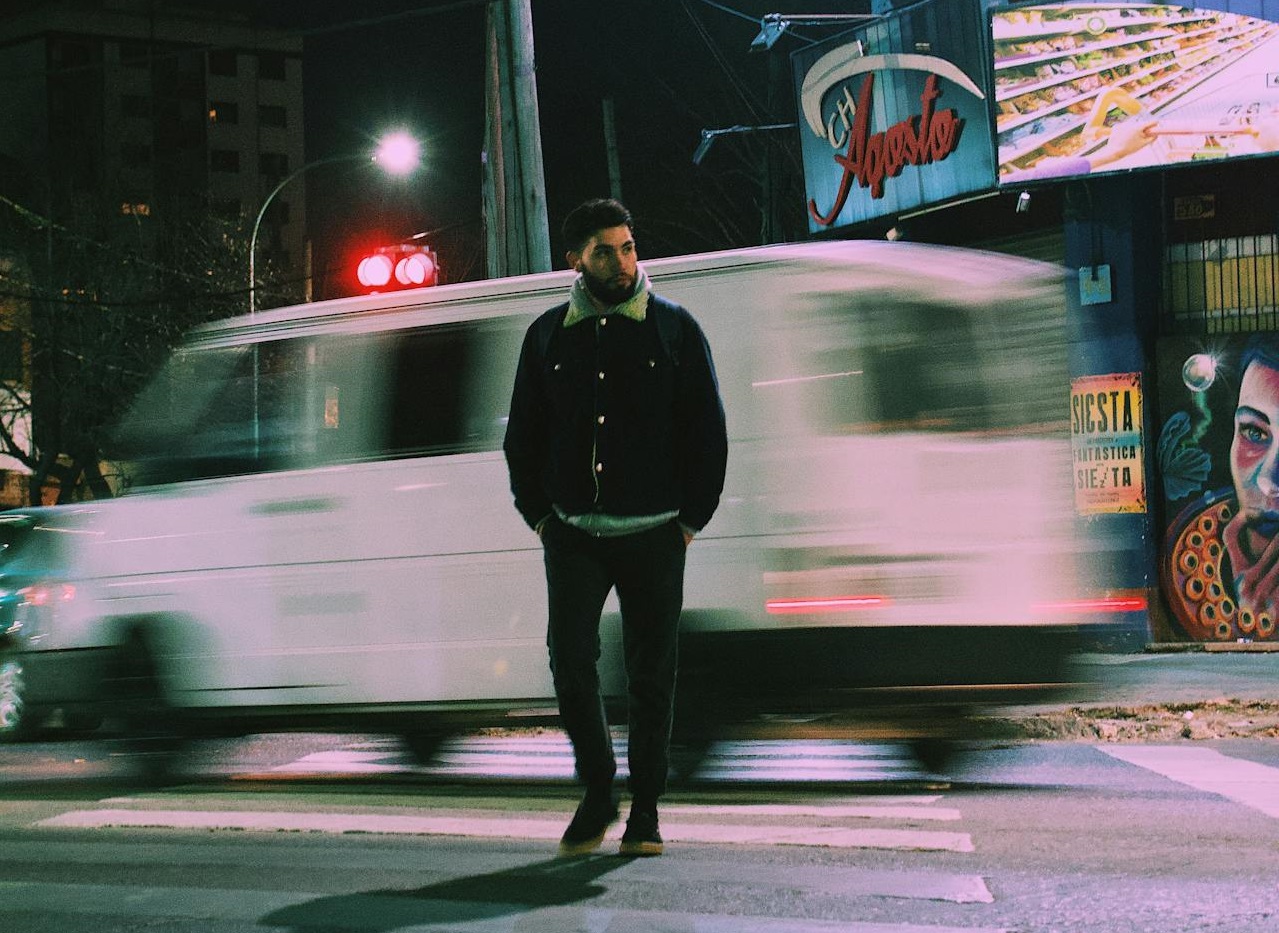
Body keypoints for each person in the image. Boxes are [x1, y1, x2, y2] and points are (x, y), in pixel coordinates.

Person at [503, 198, 728, 856]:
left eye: (628, 247)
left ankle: (646, 810)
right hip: (573, 532)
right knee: (570, 660)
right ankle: (598, 788)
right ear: (575, 259)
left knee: (651, 675)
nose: (622, 262)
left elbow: (707, 432)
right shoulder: (548, 335)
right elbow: (523, 436)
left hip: (656, 532)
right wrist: (541, 517)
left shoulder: (673, 329)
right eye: (605, 251)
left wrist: (690, 520)